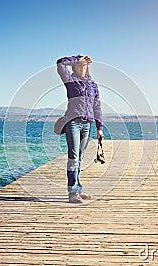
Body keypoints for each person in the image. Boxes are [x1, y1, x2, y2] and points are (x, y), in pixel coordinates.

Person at [56, 55, 104, 203]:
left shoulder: (93, 85)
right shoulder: (70, 81)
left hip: (87, 124)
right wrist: (76, 58)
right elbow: (60, 64)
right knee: (73, 158)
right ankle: (72, 193)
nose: (82, 68)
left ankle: (78, 189)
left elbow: (97, 106)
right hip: (73, 123)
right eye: (79, 66)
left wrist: (99, 127)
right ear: (74, 67)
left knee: (80, 158)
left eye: (84, 66)